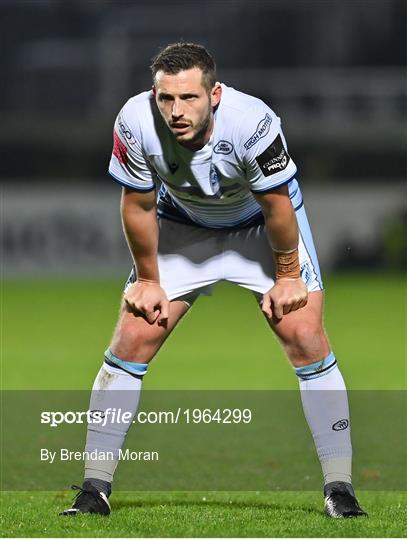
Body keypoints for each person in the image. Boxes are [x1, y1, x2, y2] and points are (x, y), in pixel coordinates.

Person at [61, 42, 366, 518]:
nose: (176, 111)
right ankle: (93, 490)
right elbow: (138, 204)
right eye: (166, 99)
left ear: (215, 95)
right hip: (185, 227)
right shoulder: (134, 122)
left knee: (304, 335)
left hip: (260, 227)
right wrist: (146, 278)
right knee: (132, 338)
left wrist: (287, 276)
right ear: (153, 95)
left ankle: (340, 489)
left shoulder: (254, 121)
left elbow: (278, 206)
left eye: (189, 99)